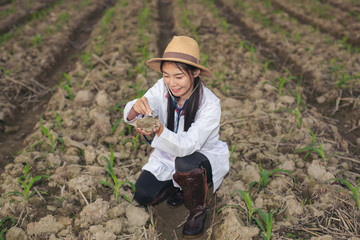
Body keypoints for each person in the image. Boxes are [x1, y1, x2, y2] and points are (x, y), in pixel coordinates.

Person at [123, 36, 229, 238]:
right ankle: (178, 185)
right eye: (166, 75)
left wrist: (160, 130)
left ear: (195, 72)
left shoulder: (210, 104)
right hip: (168, 154)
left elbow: (188, 145)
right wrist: (136, 109)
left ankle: (198, 209)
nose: (172, 83)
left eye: (178, 76)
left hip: (199, 155)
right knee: (143, 194)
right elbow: (138, 108)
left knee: (185, 163)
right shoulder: (161, 88)